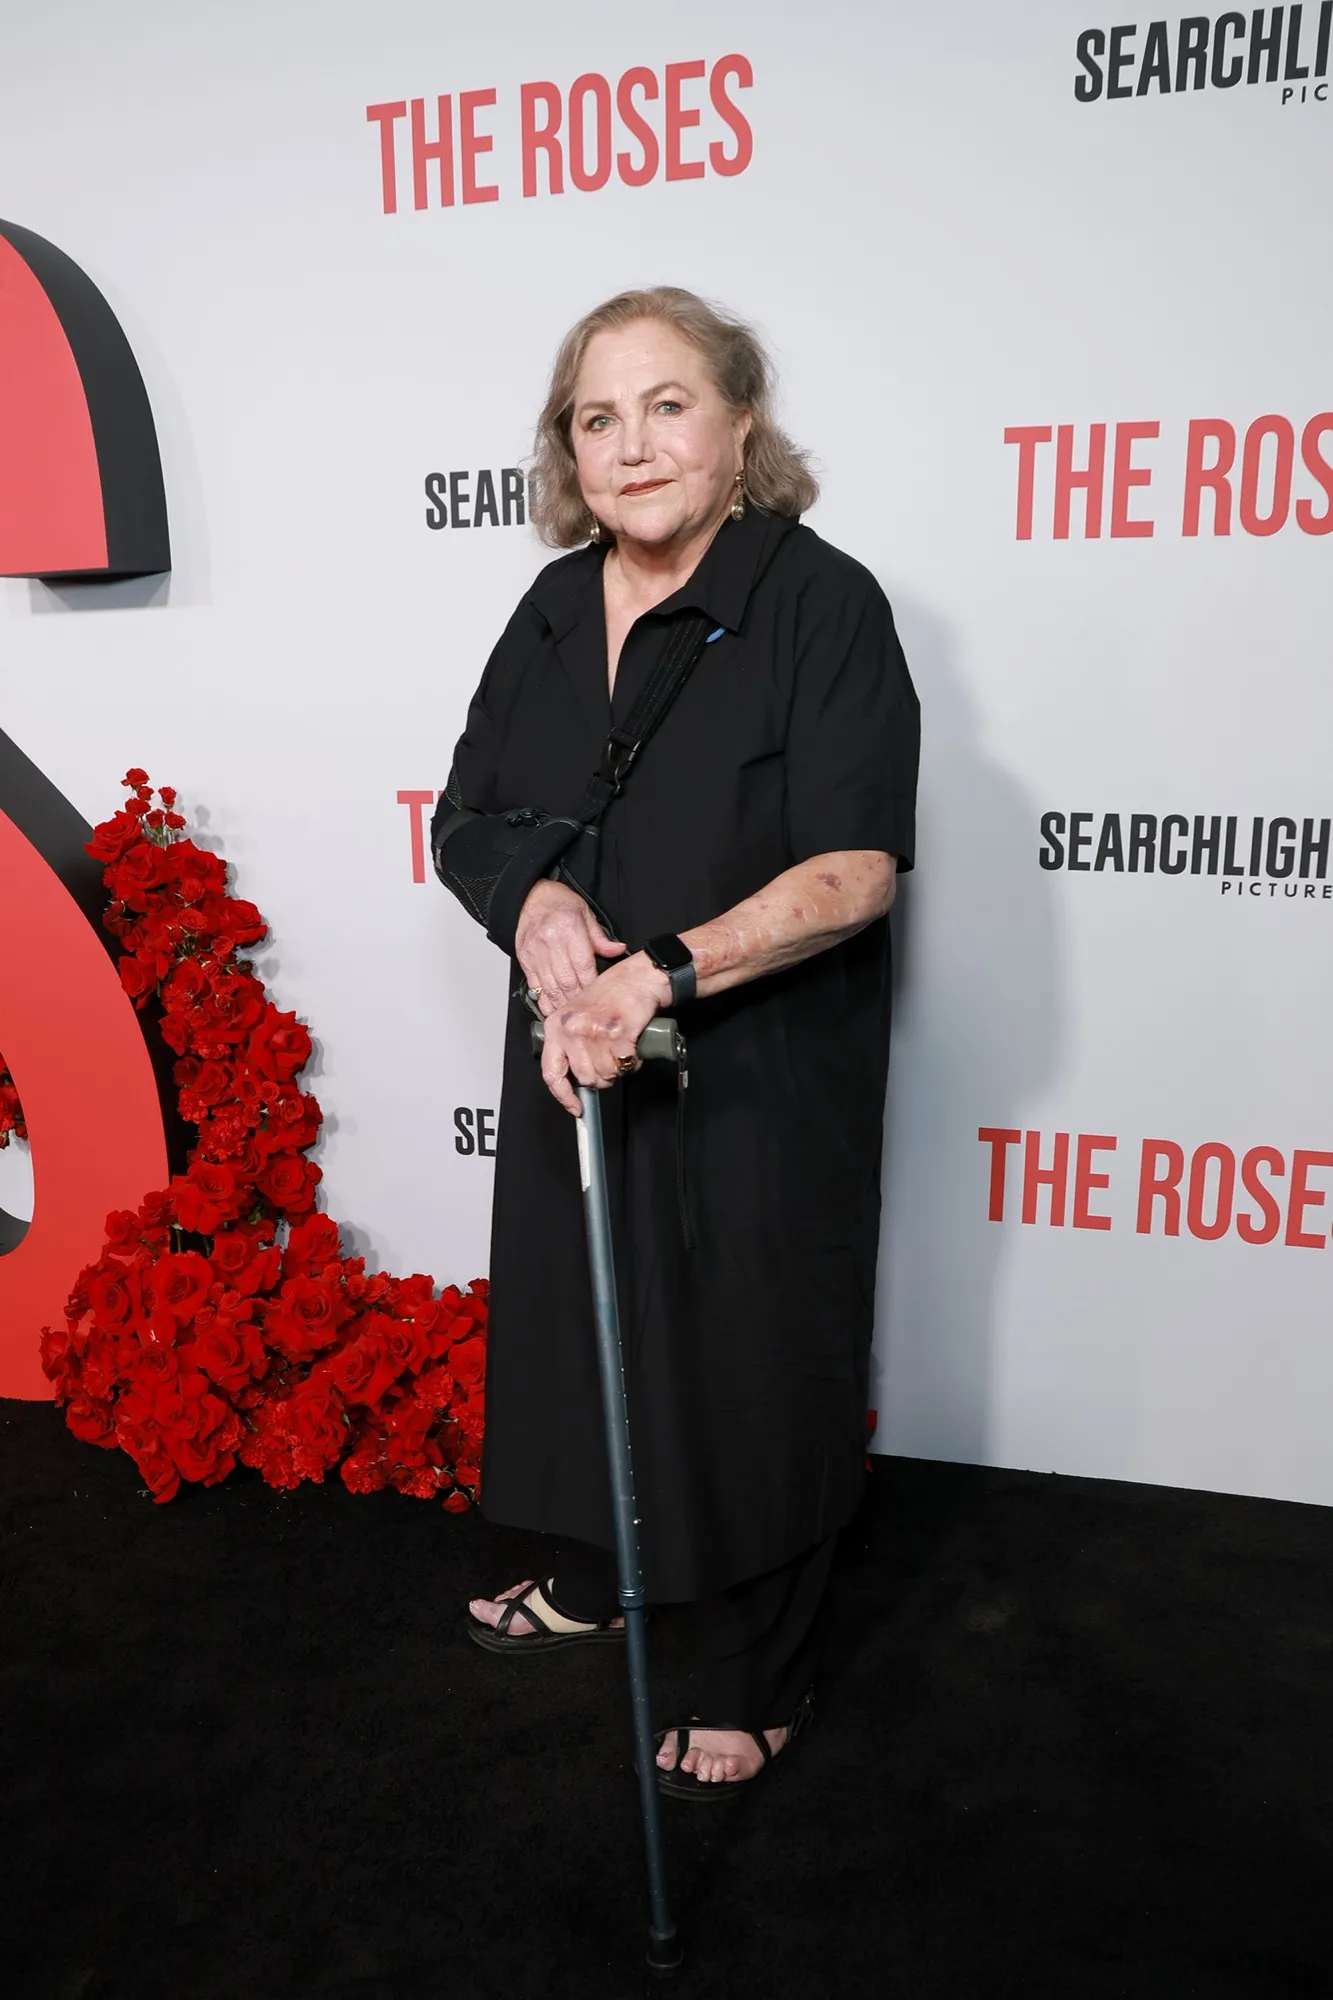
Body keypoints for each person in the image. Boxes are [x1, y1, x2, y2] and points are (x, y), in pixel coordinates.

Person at [443, 286, 918, 1796]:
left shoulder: (821, 603)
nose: (631, 444)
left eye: (666, 406)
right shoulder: (545, 607)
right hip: (579, 1053)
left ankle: (754, 1675)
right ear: (566, 449)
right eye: (597, 416)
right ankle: (598, 1579)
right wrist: (538, 910)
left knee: (746, 1362)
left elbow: (854, 871)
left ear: (739, 427)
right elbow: (468, 819)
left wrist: (657, 972)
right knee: (586, 1340)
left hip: (756, 1070)